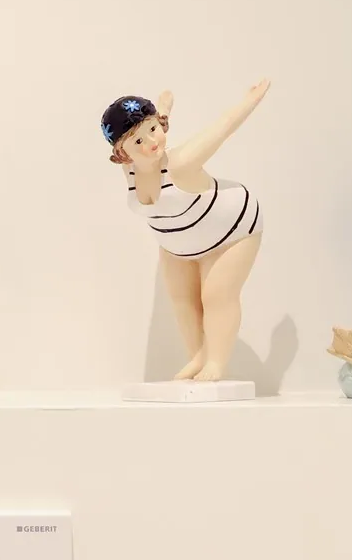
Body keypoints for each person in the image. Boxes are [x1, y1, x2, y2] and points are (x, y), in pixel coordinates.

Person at [102, 81, 269, 382]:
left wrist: (251, 99)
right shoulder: (129, 169)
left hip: (230, 228)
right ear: (122, 153)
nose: (151, 142)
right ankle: (197, 358)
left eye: (153, 130)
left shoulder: (180, 162)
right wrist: (164, 109)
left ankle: (216, 362)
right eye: (137, 141)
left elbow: (223, 128)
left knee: (215, 296)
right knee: (182, 301)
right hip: (177, 243)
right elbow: (153, 125)